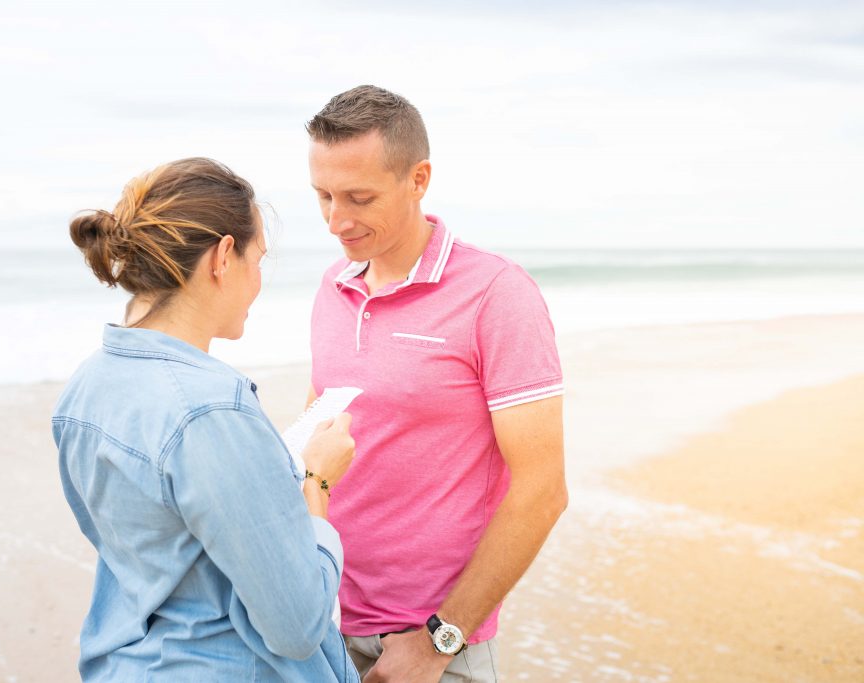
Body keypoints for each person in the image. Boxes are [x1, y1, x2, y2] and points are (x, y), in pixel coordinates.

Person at [52, 157, 360, 682]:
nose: (258, 280)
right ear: (223, 256)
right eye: (257, 259)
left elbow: (149, 554)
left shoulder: (86, 386)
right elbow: (298, 624)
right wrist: (317, 480)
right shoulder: (212, 409)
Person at [305, 85, 568, 682]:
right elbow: (325, 426)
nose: (335, 220)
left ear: (418, 179)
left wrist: (440, 639)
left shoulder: (497, 293)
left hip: (432, 639)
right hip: (323, 620)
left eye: (359, 197)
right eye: (322, 196)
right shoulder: (332, 285)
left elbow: (543, 490)